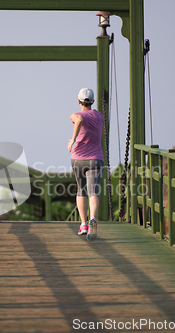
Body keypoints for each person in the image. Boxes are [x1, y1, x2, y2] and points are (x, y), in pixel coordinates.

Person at [68, 88, 104, 242]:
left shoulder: (76, 115)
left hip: (78, 159)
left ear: (78, 101)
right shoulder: (100, 116)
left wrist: (72, 139)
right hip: (96, 159)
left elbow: (79, 120)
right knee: (93, 192)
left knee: (81, 191)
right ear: (93, 102)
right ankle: (93, 218)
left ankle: (83, 224)